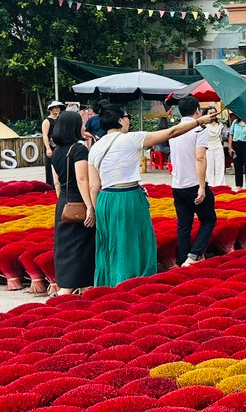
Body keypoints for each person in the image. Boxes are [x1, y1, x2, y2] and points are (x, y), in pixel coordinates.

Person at [87, 103, 216, 287]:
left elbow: (93, 186)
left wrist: (95, 210)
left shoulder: (96, 148)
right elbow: (171, 132)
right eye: (126, 117)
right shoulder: (131, 138)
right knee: (134, 241)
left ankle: (111, 284)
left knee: (112, 243)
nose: (128, 121)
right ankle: (133, 283)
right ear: (119, 120)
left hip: (105, 200)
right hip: (128, 197)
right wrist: (199, 122)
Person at [49, 110, 95, 293]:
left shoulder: (57, 151)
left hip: (64, 203)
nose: (84, 127)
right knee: (82, 246)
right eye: (82, 123)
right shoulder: (78, 149)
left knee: (66, 247)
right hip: (79, 202)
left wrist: (64, 201)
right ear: (74, 127)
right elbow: (83, 180)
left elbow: (56, 183)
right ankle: (76, 288)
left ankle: (69, 286)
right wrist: (90, 207)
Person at [169, 96, 218, 268]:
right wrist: (202, 187)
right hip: (193, 184)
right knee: (209, 219)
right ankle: (194, 255)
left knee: (184, 226)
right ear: (197, 110)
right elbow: (200, 157)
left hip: (177, 184)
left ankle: (184, 260)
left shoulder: (173, 131)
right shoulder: (199, 130)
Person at [229, 114, 246, 189]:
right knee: (237, 166)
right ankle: (238, 185)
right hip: (236, 144)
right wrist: (230, 147)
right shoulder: (235, 122)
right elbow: (231, 134)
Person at [41, 100, 63, 186]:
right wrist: (48, 148)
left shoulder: (60, 119)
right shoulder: (47, 121)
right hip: (51, 145)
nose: (57, 109)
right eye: (55, 107)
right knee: (51, 165)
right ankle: (51, 185)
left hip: (60, 144)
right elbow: (45, 135)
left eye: (58, 107)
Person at [204, 109, 226, 188]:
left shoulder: (220, 124)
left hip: (218, 147)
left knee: (220, 167)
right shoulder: (204, 125)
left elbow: (221, 137)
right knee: (209, 168)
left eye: (214, 113)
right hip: (208, 148)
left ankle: (220, 185)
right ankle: (210, 185)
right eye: (210, 113)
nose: (213, 114)